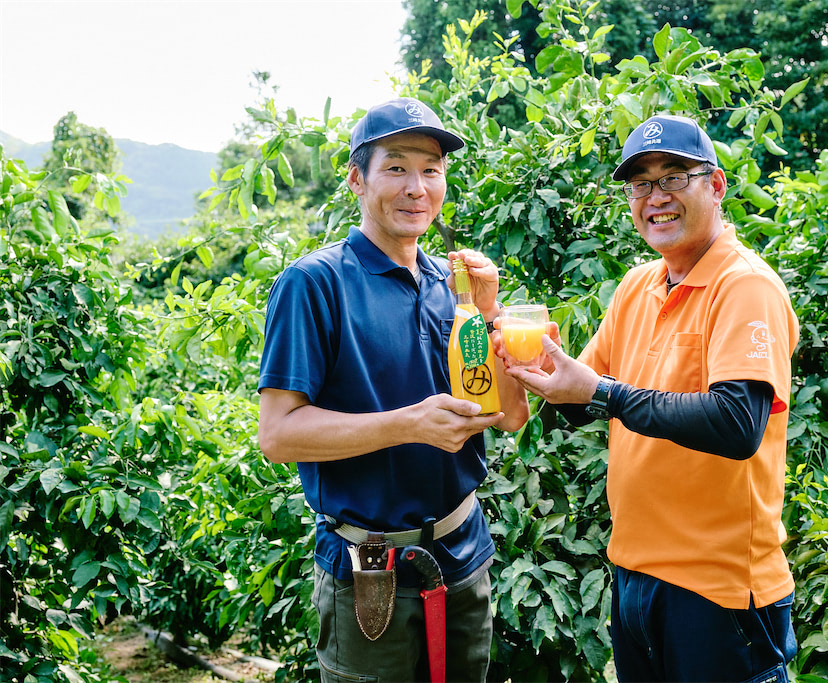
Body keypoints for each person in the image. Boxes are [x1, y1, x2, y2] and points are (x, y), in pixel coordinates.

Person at [504, 114, 799, 682]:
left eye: (673, 178)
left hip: (720, 593)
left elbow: (737, 424)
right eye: (641, 184)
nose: (655, 197)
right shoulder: (638, 286)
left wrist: (602, 393)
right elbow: (576, 401)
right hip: (635, 578)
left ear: (714, 186)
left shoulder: (745, 287)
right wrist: (540, 366)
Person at [257, 97, 529, 683]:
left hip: (463, 557)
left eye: (431, 170)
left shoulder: (451, 284)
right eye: (397, 167)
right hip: (370, 573)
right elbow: (278, 435)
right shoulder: (314, 284)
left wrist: (489, 310)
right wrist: (407, 424)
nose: (417, 187)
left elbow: (508, 415)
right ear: (357, 179)